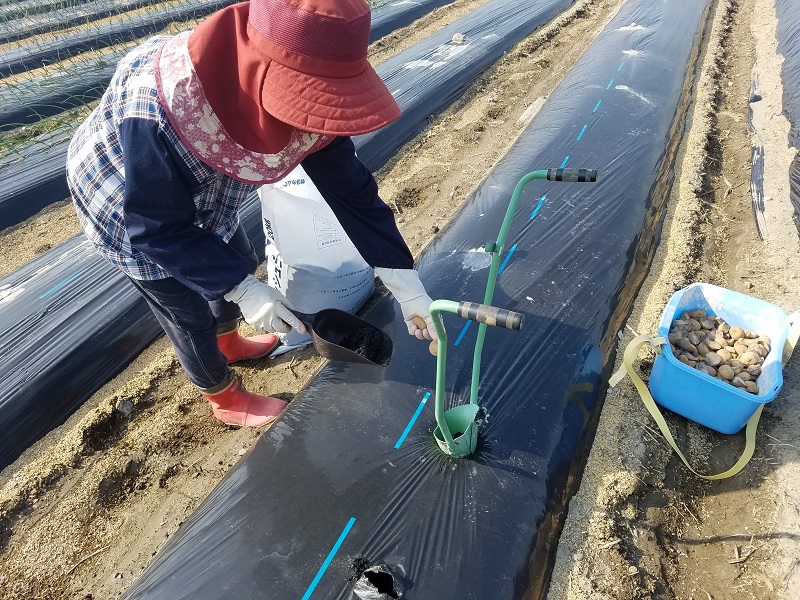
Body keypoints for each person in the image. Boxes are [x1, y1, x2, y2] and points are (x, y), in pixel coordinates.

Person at [66, 0, 437, 428]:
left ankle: (230, 342)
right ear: (258, 73)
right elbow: (156, 228)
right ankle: (222, 394)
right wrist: (243, 290)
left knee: (235, 260)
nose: (311, 128)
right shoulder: (161, 110)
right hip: (127, 201)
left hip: (205, 197)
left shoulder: (312, 104)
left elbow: (352, 193)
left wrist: (404, 281)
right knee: (187, 311)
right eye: (307, 104)